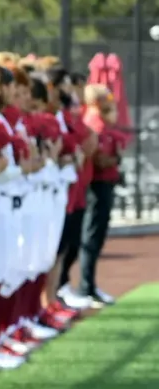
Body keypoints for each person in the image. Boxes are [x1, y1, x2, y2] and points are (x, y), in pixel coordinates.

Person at [71, 83, 123, 308]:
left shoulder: (101, 123)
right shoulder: (95, 124)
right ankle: (85, 287)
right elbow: (100, 159)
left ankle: (89, 286)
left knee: (95, 237)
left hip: (103, 184)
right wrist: (116, 160)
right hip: (96, 185)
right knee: (90, 237)